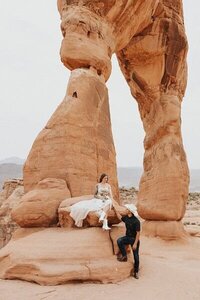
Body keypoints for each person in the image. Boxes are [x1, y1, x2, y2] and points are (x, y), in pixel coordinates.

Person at [113, 203, 141, 279]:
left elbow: (138, 233)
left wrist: (135, 244)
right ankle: (124, 256)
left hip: (134, 239)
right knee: (119, 241)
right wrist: (115, 210)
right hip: (127, 237)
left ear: (130, 211)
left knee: (136, 256)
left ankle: (136, 272)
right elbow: (120, 218)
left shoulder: (136, 221)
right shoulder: (126, 218)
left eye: (127, 209)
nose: (125, 210)